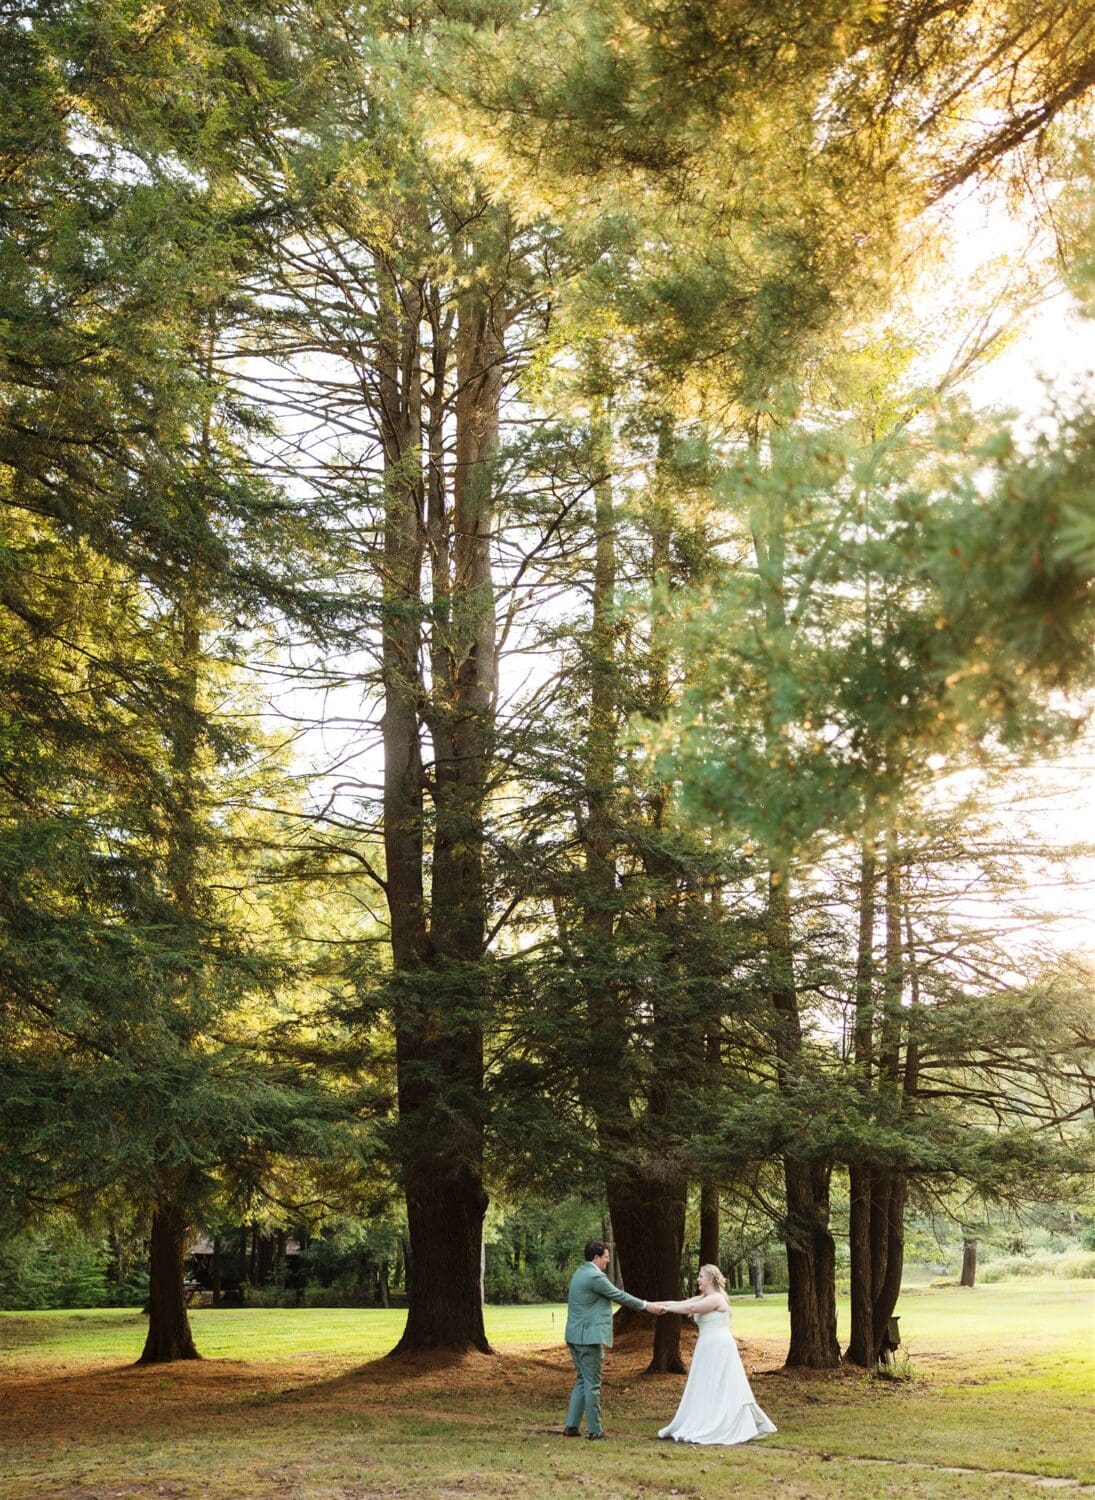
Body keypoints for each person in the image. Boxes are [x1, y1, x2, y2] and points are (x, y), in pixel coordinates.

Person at [648, 1264, 776, 1445]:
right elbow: (680, 1303)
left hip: (719, 1346)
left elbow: (690, 1308)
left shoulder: (716, 1299)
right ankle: (705, 1415)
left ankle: (722, 1421)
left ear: (710, 1279)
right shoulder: (704, 1297)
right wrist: (654, 1305)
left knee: (720, 1383)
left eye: (701, 1276)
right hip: (706, 1346)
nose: (698, 1279)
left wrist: (667, 1310)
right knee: (706, 1383)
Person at [563, 1239, 663, 1440]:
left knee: (582, 1380)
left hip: (574, 1335)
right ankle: (595, 1430)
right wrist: (646, 1305)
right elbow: (619, 1295)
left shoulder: (581, 1272)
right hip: (587, 1337)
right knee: (592, 1383)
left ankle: (571, 1426)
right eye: (606, 1258)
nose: (607, 1262)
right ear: (596, 1257)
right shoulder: (594, 1276)